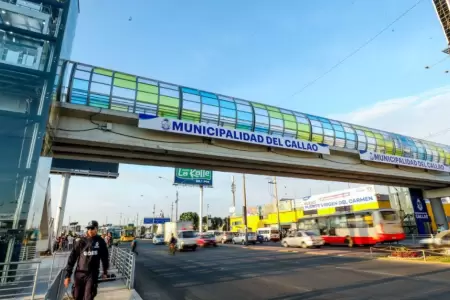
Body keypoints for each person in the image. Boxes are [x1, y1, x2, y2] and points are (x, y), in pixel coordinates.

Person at [64, 221, 109, 300]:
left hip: (92, 274)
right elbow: (72, 258)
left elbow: (105, 258)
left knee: (88, 297)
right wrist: (67, 275)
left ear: (96, 229)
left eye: (92, 228)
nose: (90, 230)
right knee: (77, 296)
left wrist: (105, 271)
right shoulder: (81, 241)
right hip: (79, 273)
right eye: (88, 229)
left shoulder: (101, 242)